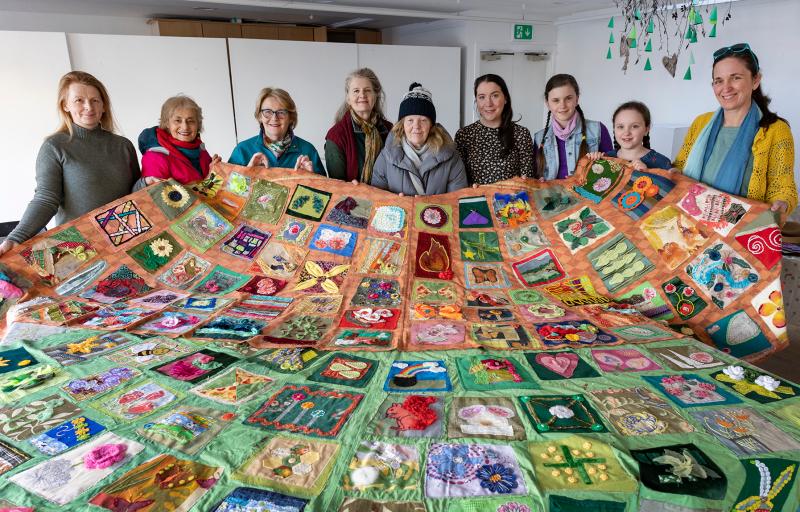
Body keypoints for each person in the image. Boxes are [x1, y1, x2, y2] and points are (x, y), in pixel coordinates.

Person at [0, 71, 140, 255]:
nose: (88, 107)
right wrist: (16, 238)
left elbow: (136, 195)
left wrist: (148, 182)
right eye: (79, 100)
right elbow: (46, 199)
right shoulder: (54, 147)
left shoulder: (123, 146)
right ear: (65, 105)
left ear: (104, 105)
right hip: (79, 249)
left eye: (95, 100)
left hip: (126, 243)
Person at [673, 43, 797, 214]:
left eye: (736, 78)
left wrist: (782, 202)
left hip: (739, 224)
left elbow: (783, 187)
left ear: (755, 80)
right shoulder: (700, 123)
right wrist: (670, 171)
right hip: (689, 216)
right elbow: (680, 167)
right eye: (719, 81)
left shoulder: (776, 131)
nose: (726, 87)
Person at [371, 83, 468, 196]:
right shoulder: (386, 157)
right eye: (410, 120)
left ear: (431, 125)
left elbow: (458, 199)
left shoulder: (450, 157)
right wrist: (397, 202)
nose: (416, 126)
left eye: (423, 120)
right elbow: (377, 198)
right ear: (402, 124)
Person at [455, 74, 536, 184]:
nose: (488, 103)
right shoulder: (464, 135)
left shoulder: (521, 134)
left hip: (512, 195)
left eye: (495, 95)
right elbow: (458, 181)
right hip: (475, 195)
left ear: (505, 98)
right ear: (476, 101)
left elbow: (528, 181)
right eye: (482, 97)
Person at [534, 74, 614, 180]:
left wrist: (601, 160)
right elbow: (536, 174)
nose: (562, 105)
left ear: (577, 99)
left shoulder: (597, 129)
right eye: (556, 100)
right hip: (551, 191)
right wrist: (538, 180)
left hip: (585, 190)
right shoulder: (539, 138)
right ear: (547, 103)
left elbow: (612, 169)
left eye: (568, 98)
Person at [228, 87, 324, 175]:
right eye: (267, 112)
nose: (274, 118)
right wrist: (247, 173)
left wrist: (311, 177)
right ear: (260, 116)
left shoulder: (308, 150)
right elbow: (226, 188)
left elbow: (326, 188)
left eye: (281, 112)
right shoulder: (242, 150)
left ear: (291, 117)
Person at [325, 68, 393, 184]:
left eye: (367, 90)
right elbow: (337, 185)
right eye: (356, 91)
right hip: (352, 196)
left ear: (376, 95)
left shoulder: (389, 130)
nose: (362, 95)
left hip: (387, 195)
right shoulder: (336, 136)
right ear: (348, 98)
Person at [133, 95, 215, 191]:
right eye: (177, 121)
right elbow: (154, 197)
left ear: (198, 124)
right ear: (167, 123)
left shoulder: (199, 149)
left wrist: (215, 170)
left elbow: (209, 189)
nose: (185, 127)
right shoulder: (155, 157)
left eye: (190, 121)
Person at [605, 101, 673, 170]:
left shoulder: (662, 162)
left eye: (634, 126)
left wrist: (648, 172)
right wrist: (597, 162)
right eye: (621, 127)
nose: (626, 133)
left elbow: (672, 177)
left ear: (646, 130)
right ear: (614, 129)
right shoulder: (606, 158)